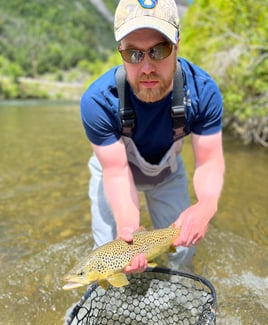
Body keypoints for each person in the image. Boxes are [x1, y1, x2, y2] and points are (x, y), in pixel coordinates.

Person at [80, 0, 225, 273]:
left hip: (167, 174)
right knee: (106, 261)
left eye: (159, 50)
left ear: (177, 44)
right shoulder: (97, 102)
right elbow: (116, 172)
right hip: (114, 172)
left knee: (182, 255)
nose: (146, 67)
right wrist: (129, 230)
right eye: (134, 54)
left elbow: (209, 162)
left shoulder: (203, 92)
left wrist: (206, 204)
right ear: (120, 51)